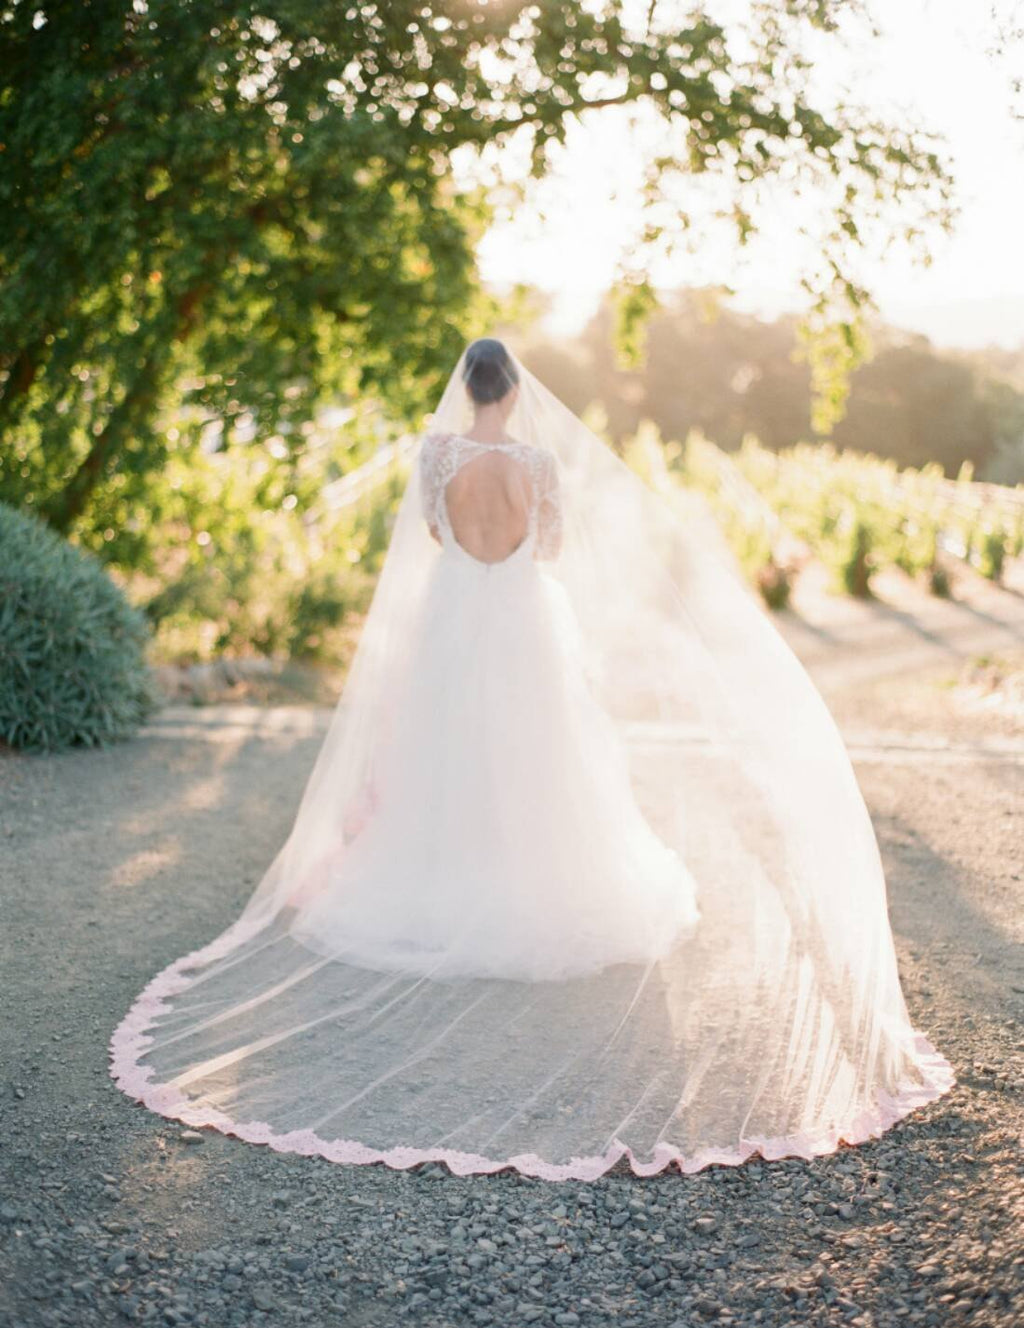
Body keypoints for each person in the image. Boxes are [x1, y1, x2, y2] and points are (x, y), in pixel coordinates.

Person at [110, 338, 952, 1180]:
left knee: (444, 749)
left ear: (464, 390)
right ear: (512, 393)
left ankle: (444, 864)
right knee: (536, 751)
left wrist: (471, 554)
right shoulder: (537, 464)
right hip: (518, 615)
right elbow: (547, 547)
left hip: (454, 613)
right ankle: (522, 869)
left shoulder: (436, 455)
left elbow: (434, 533)